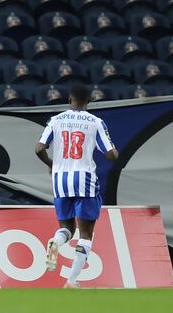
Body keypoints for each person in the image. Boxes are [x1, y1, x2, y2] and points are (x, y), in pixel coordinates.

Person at [35, 84, 118, 288]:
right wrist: (114, 150)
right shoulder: (96, 122)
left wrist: (51, 164)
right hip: (84, 178)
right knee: (86, 233)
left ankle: (57, 241)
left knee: (66, 228)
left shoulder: (56, 120)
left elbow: (39, 149)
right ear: (88, 102)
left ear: (69, 100)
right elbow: (110, 154)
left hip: (60, 179)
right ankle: (72, 280)